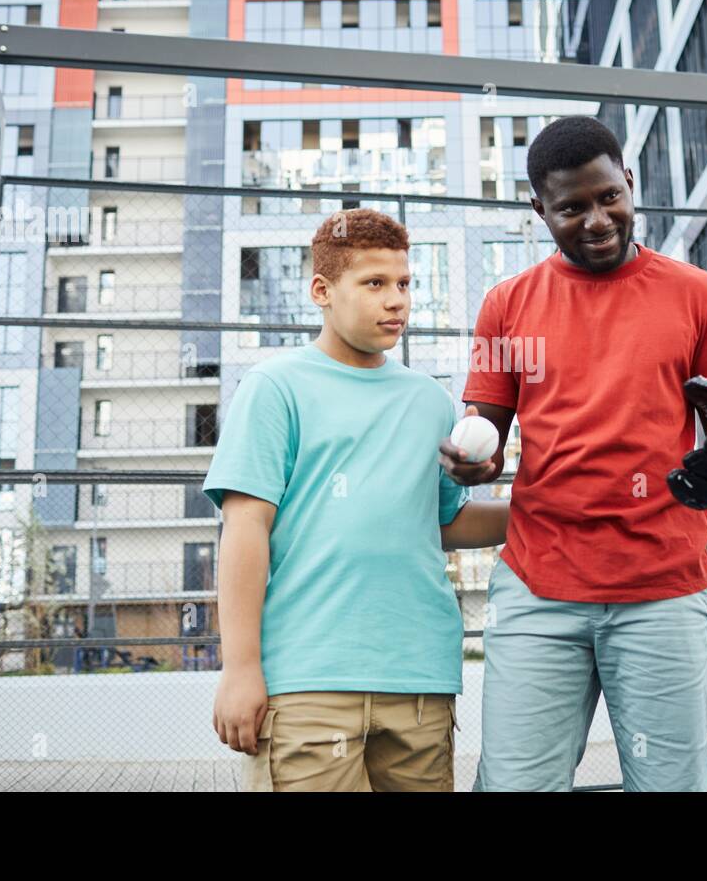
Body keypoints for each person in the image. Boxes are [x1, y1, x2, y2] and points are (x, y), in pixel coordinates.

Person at [440, 115, 707, 791]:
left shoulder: (699, 296)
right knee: (515, 784)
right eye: (571, 207)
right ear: (538, 210)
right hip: (538, 585)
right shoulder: (506, 305)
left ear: (630, 183)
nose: (598, 219)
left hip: (661, 587)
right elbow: (485, 429)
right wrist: (475, 462)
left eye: (609, 196)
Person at [205, 208, 509, 791]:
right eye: (374, 284)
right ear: (322, 291)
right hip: (307, 685)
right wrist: (240, 669)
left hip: (419, 684)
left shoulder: (432, 401)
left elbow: (446, 522)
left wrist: (545, 513)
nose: (396, 300)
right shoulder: (275, 388)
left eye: (404, 284)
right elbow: (245, 531)